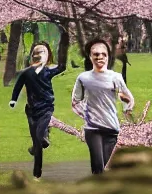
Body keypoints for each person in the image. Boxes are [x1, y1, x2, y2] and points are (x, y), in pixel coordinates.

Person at [72, 38, 135, 174]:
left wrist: (127, 109)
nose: (100, 57)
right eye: (96, 54)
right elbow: (75, 102)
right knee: (98, 168)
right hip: (92, 129)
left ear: (108, 56)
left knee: (109, 169)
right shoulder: (83, 78)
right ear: (90, 57)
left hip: (111, 128)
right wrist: (86, 115)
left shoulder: (115, 77)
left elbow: (128, 98)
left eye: (103, 54)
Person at [9, 41, 65, 179]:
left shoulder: (48, 71)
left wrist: (64, 43)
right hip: (31, 110)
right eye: (37, 52)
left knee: (39, 136)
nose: (39, 54)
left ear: (47, 57)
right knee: (36, 141)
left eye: (43, 52)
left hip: (46, 108)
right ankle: (37, 153)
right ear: (32, 56)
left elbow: (62, 67)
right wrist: (13, 99)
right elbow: (18, 86)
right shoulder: (26, 73)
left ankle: (37, 168)